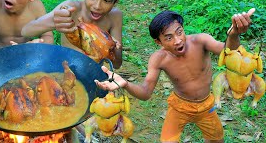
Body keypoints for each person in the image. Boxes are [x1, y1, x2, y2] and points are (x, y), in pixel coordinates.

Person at [94, 8, 255, 142]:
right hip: (180, 107)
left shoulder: (201, 41)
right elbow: (145, 93)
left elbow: (229, 52)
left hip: (207, 105)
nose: (178, 41)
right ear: (159, 42)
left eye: (179, 32)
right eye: (169, 37)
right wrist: (126, 84)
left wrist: (233, 35)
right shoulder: (159, 59)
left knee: (217, 139)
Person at [21, 0, 123, 69]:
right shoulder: (71, 9)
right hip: (65, 68)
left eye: (106, 0)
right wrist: (53, 23)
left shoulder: (115, 16)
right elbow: (26, 31)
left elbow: (117, 64)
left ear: (116, 0)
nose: (97, 6)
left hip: (92, 72)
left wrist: (113, 46)